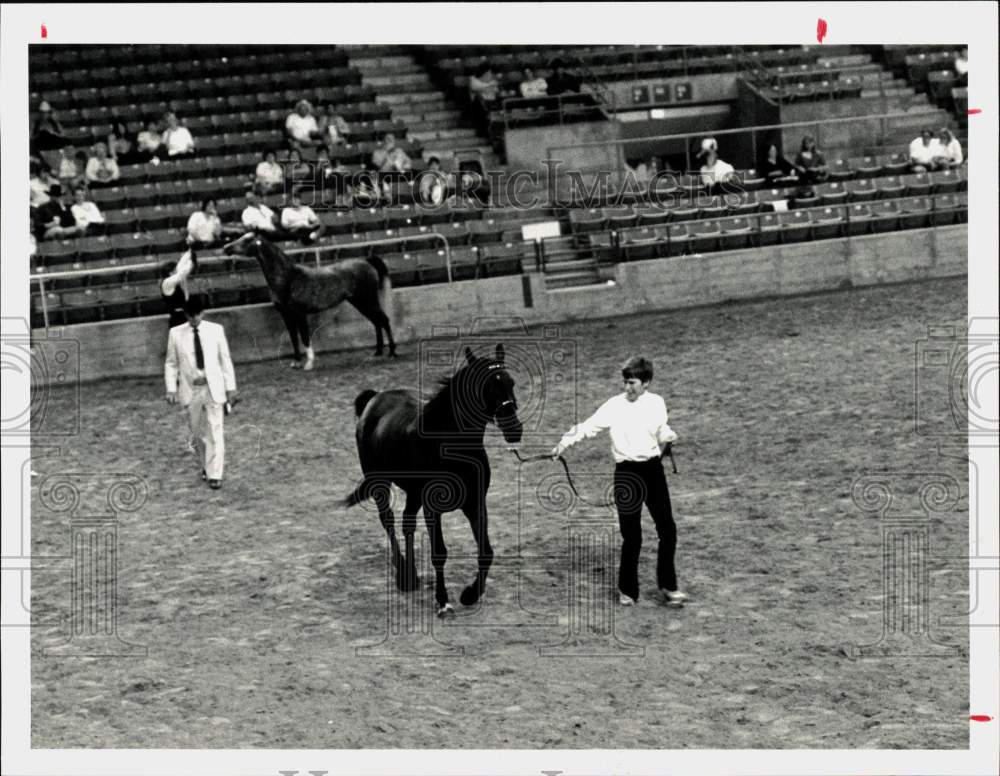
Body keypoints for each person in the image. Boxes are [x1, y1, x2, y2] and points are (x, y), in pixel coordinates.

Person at [550, 357, 685, 608]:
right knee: (632, 536)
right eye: (625, 382)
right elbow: (587, 427)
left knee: (668, 530)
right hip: (627, 473)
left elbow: (660, 428)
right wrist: (562, 444)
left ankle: (668, 585)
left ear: (646, 383)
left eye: (632, 383)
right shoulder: (614, 406)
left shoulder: (656, 403)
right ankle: (628, 590)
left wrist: (668, 435)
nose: (627, 388)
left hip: (653, 471)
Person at [164, 294, 237, 490]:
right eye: (190, 315)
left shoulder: (216, 330)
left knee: (215, 429)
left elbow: (225, 359)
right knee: (196, 433)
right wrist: (171, 388)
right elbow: (171, 363)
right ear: (185, 314)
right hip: (191, 389)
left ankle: (215, 473)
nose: (194, 318)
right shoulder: (176, 333)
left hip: (213, 387)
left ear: (203, 312)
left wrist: (231, 387)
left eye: (197, 314)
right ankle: (206, 464)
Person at [160, 248, 197, 329]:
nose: (178, 270)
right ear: (170, 273)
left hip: (187, 317)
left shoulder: (177, 281)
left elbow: (180, 265)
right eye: (176, 270)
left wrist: (189, 252)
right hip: (177, 321)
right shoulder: (167, 283)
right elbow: (182, 272)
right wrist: (190, 262)